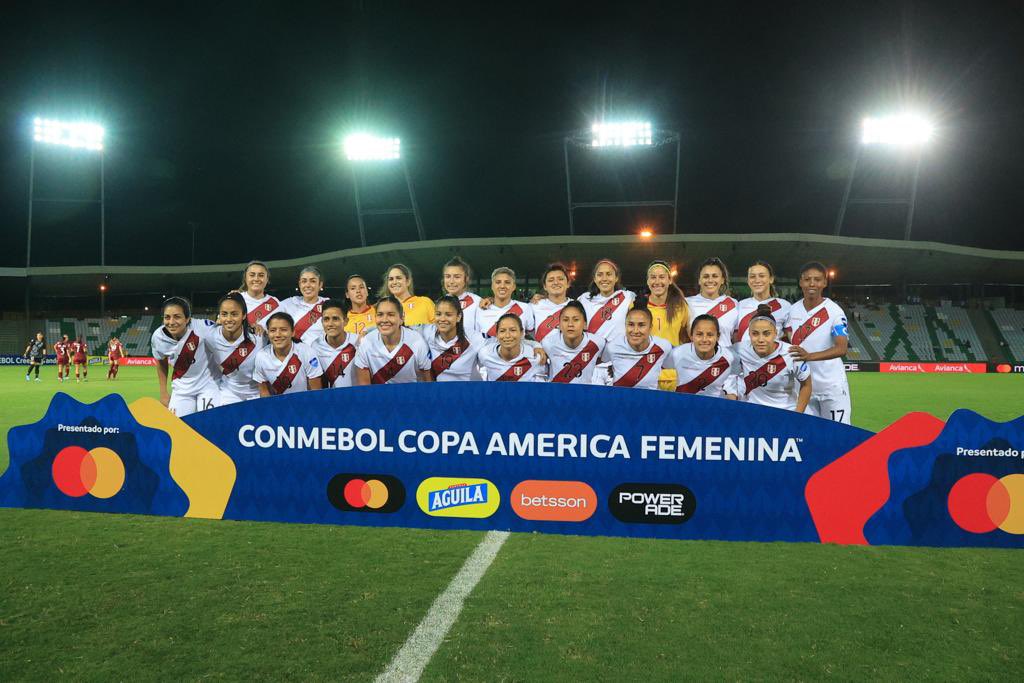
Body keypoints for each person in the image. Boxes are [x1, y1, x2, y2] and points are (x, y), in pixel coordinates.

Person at [784, 261, 851, 424]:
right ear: (801, 282)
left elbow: (842, 348)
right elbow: (786, 340)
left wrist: (809, 356)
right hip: (804, 388)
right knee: (808, 438)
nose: (812, 283)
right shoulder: (792, 310)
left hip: (831, 388)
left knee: (838, 437)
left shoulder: (835, 311)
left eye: (817, 279)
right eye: (807, 279)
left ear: (824, 283)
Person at [151, 297, 220, 415]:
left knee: (209, 425)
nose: (171, 322)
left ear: (188, 318)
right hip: (182, 389)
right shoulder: (158, 338)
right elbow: (161, 362)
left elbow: (228, 333)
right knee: (178, 429)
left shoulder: (203, 328)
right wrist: (163, 393)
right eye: (167, 317)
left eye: (177, 316)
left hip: (209, 385)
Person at [735, 304, 811, 412]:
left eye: (767, 334)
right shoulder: (740, 349)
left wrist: (798, 415)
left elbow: (806, 385)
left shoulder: (791, 353)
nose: (761, 339)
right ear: (749, 334)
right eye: (755, 334)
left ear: (775, 333)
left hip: (784, 414)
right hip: (752, 414)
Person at [353, 296, 432, 384]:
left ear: (401, 318)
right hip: (378, 397)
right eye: (380, 314)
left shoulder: (416, 341)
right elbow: (364, 388)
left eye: (390, 314)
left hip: (411, 396)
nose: (384, 320)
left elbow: (427, 383)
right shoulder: (366, 342)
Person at [208, 292, 264, 404]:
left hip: (256, 392)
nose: (229, 319)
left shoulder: (258, 337)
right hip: (228, 392)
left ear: (243, 315)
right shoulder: (210, 336)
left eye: (234, 314)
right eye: (224, 314)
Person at [601, 304, 674, 390]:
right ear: (625, 326)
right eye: (631, 324)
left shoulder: (664, 346)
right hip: (620, 400)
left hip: (650, 400)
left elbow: (672, 365)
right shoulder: (612, 347)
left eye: (641, 325)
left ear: (650, 327)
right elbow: (600, 364)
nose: (635, 331)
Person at [665, 315, 737, 398]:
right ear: (691, 335)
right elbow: (658, 368)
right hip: (683, 406)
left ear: (718, 337)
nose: (704, 339)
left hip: (714, 407)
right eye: (699, 334)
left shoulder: (730, 357)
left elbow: (735, 385)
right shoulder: (677, 353)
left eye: (710, 335)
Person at [253, 312, 323, 396]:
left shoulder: (306, 352)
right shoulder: (261, 356)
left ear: (293, 332)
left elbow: (316, 392)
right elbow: (264, 392)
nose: (277, 335)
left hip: (304, 405)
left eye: (283, 330)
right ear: (267, 333)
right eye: (273, 330)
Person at [646, 260, 690, 390]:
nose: (657, 281)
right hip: (646, 376)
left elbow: (685, 339)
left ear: (669, 280)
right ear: (648, 281)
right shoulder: (638, 306)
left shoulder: (681, 307)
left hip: (673, 376)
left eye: (662, 277)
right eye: (653, 277)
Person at [418, 294, 483, 382]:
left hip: (467, 392)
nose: (442, 319)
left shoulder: (474, 338)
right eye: (438, 314)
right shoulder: (426, 331)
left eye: (448, 315)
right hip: (437, 393)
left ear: (458, 317)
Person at [542, 301, 605, 384]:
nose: (570, 324)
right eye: (565, 320)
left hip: (585, 394)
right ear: (559, 325)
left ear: (585, 325)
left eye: (576, 320)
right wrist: (535, 345)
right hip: (556, 394)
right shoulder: (548, 343)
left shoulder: (598, 343)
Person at [686, 257, 739, 348]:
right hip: (694, 360)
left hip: (724, 360)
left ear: (722, 280)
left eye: (715, 276)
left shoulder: (733, 304)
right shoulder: (686, 303)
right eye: (706, 276)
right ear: (699, 280)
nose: (710, 280)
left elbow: (736, 339)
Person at [477, 313, 546, 382]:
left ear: (522, 333)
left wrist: (536, 345)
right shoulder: (485, 354)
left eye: (513, 330)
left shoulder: (535, 357)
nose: (507, 335)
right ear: (497, 335)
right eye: (502, 331)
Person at [734, 261, 791, 343]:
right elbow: (735, 336)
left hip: (773, 355)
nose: (757, 280)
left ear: (771, 279)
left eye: (762, 276)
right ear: (748, 281)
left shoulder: (784, 306)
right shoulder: (739, 305)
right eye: (752, 276)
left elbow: (792, 338)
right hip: (743, 355)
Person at [578, 259, 636, 340]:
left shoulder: (627, 297)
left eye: (609, 274)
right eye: (600, 275)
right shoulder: (584, 299)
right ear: (594, 279)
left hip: (619, 351)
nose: (604, 278)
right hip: (594, 351)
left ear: (616, 278)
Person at [311, 299, 361, 388]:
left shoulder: (358, 342)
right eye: (326, 319)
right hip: (329, 400)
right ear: (322, 322)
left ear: (346, 321)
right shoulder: (315, 346)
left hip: (356, 398)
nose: (330, 324)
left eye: (335, 319)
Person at [475, 267, 535, 338]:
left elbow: (533, 335)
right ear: (492, 286)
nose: (502, 286)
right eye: (498, 282)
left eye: (507, 282)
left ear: (513, 287)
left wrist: (536, 345)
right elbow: (476, 338)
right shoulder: (481, 309)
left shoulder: (525, 308)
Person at [279, 265, 327, 343]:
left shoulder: (329, 304)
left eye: (313, 281)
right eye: (304, 281)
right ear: (300, 284)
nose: (307, 285)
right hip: (296, 353)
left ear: (320, 284)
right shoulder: (288, 304)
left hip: (323, 353)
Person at [531, 263, 574, 342]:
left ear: (568, 284)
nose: (556, 283)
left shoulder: (576, 306)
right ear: (545, 286)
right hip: (542, 353)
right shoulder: (534, 306)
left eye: (560, 279)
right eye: (551, 280)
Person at [441, 257, 481, 335]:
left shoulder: (477, 302)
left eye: (457, 277)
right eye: (448, 276)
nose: (451, 281)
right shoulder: (439, 303)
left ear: (466, 279)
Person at [238, 260, 280, 331]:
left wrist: (266, 331)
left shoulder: (274, 302)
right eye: (252, 275)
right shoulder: (236, 299)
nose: (256, 279)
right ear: (245, 278)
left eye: (261, 275)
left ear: (267, 279)